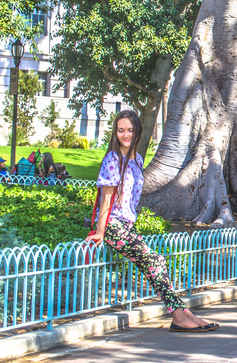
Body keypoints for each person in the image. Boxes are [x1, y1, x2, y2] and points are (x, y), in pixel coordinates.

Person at [85, 110, 219, 333]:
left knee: (157, 262)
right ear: (115, 132)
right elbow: (106, 198)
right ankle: (178, 315)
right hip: (112, 226)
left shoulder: (136, 160)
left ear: (137, 131)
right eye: (121, 130)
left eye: (130, 130)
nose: (125, 134)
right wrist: (100, 231)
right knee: (155, 260)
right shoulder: (112, 159)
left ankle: (184, 313)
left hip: (126, 226)